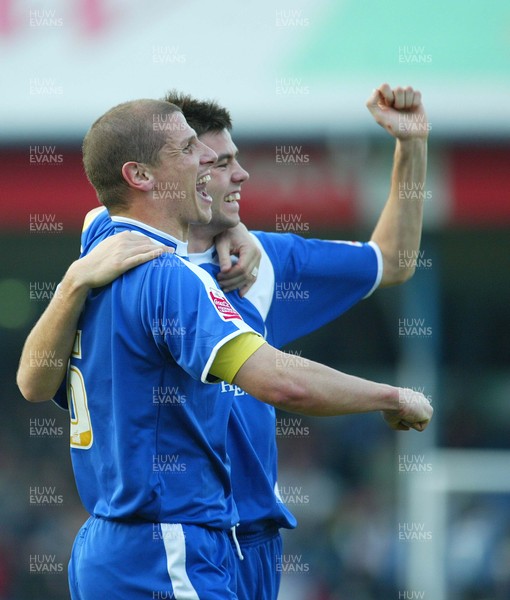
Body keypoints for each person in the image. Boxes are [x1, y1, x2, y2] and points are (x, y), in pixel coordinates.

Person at [17, 95, 431, 599]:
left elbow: (393, 260)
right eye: (212, 159)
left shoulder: (122, 240)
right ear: (148, 175)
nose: (240, 175)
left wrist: (412, 145)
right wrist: (391, 397)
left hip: (236, 539)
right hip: (174, 539)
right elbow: (283, 382)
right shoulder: (147, 266)